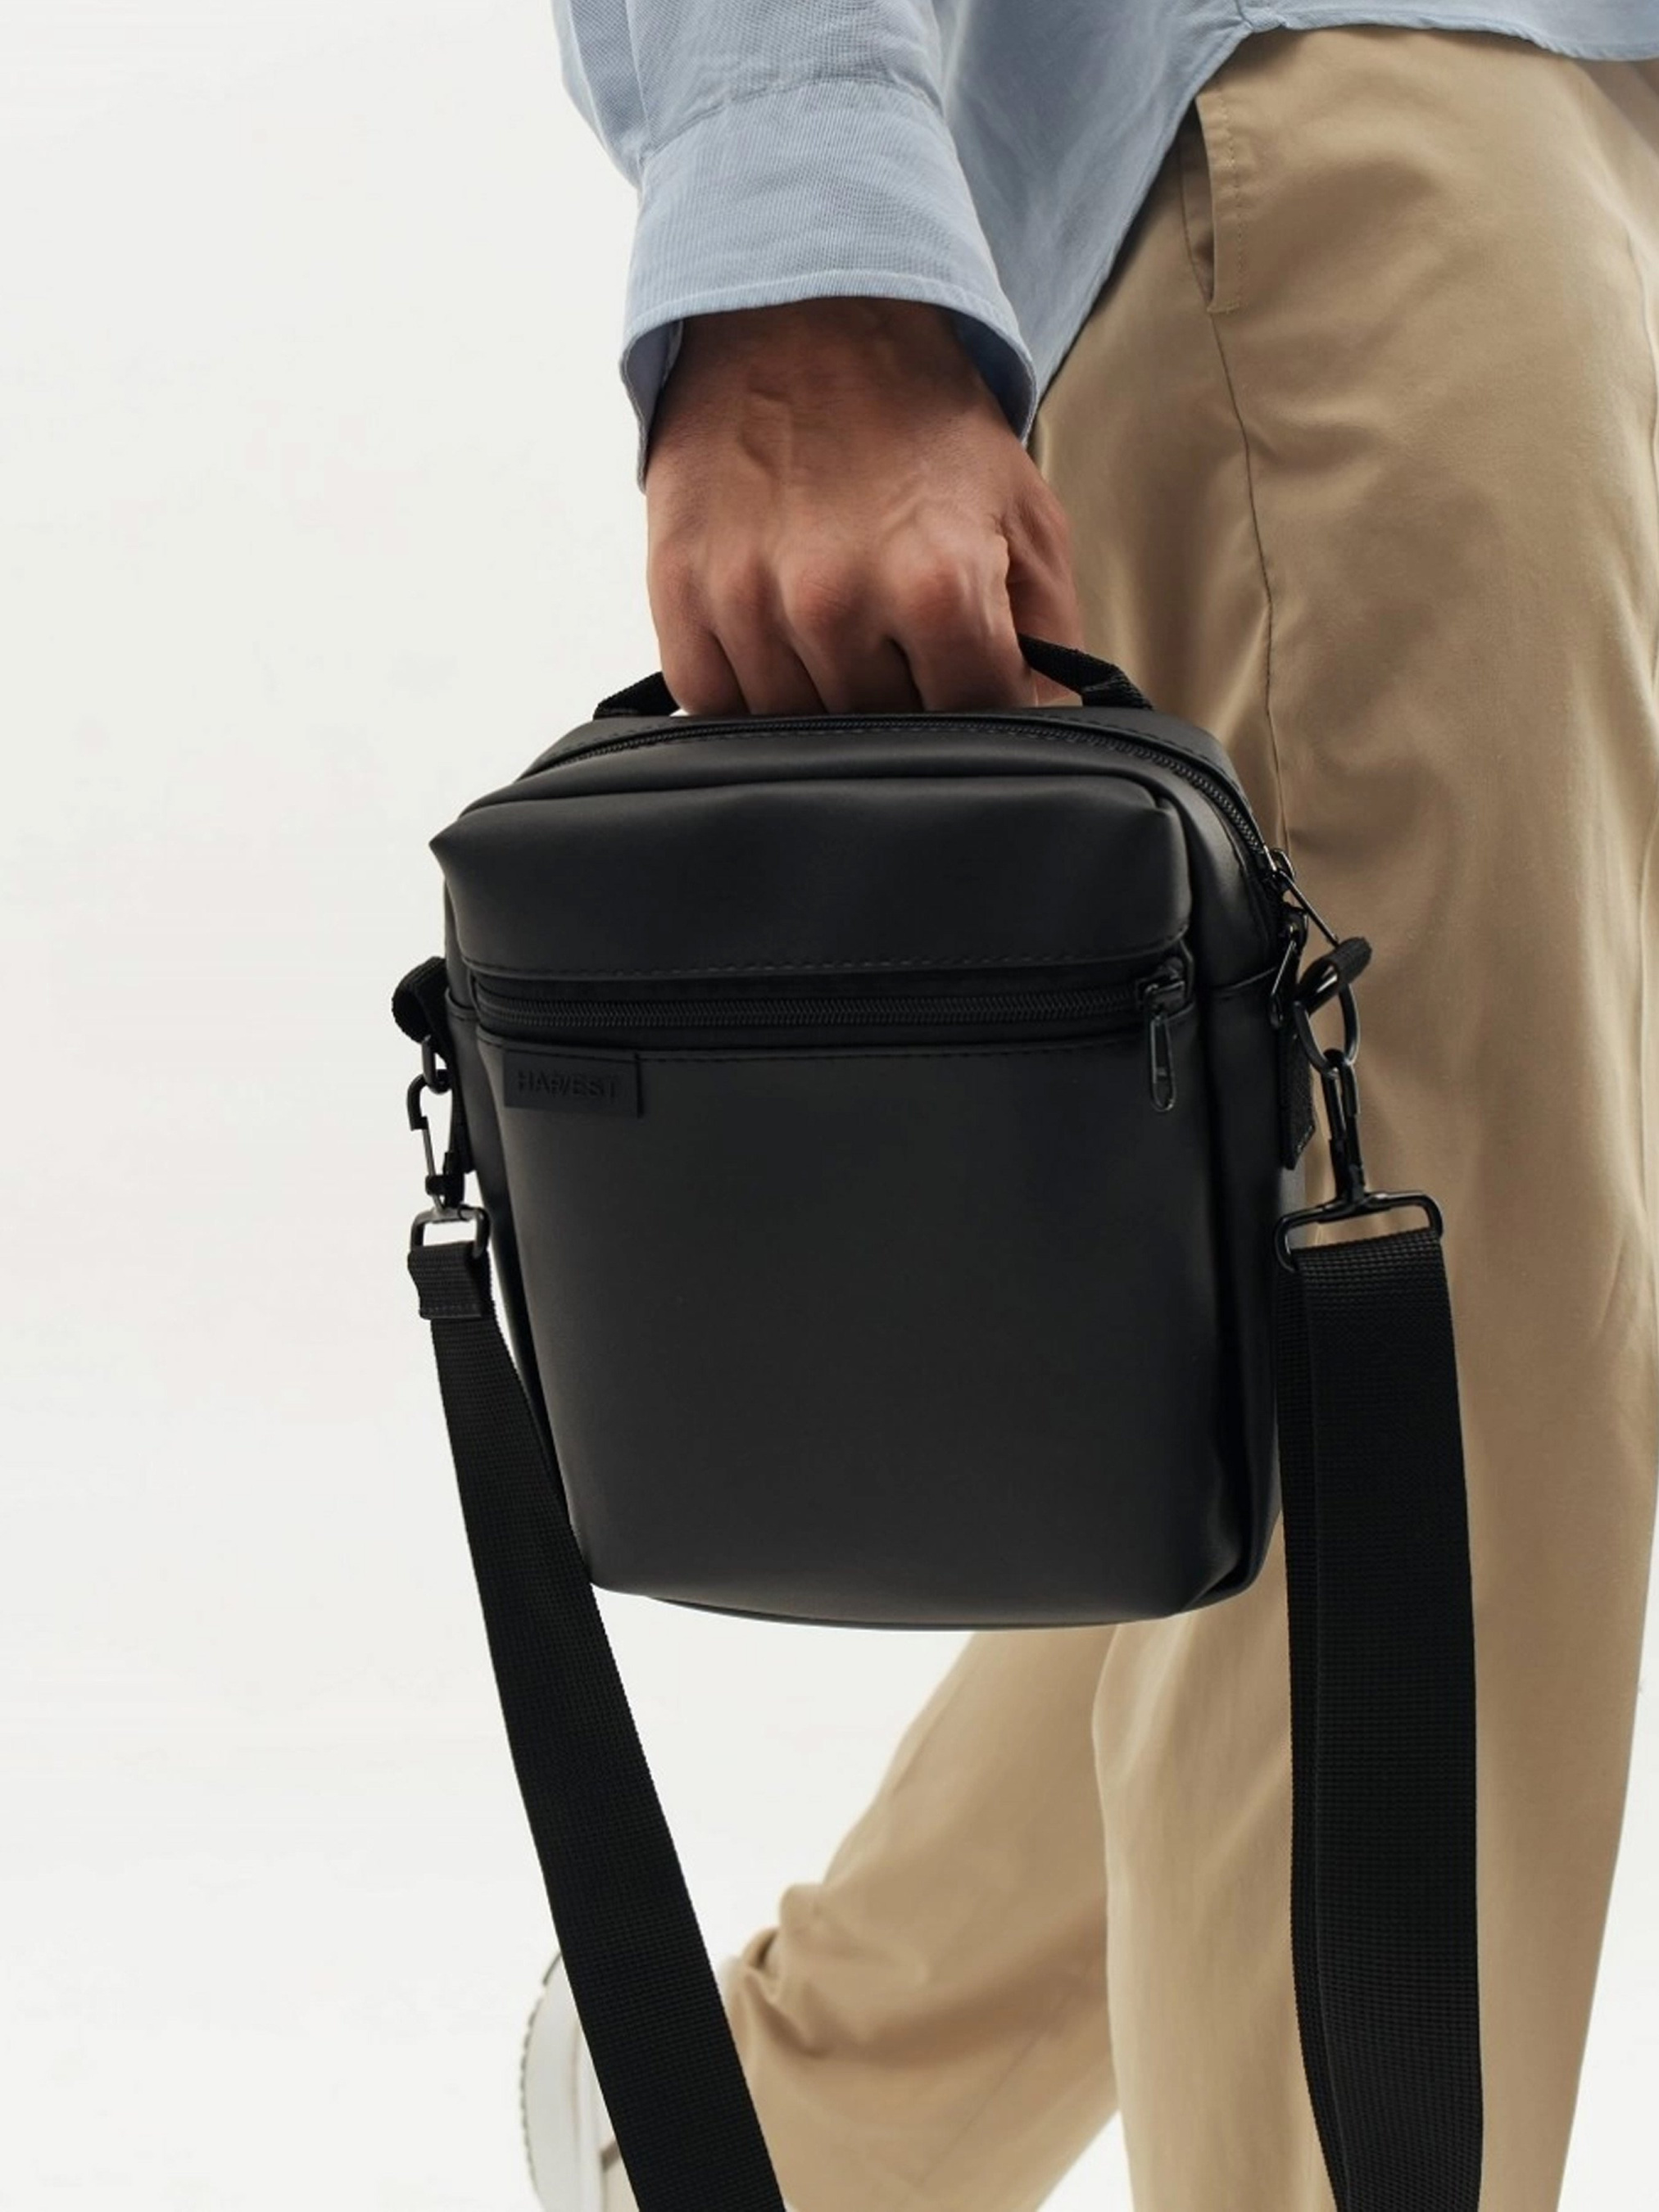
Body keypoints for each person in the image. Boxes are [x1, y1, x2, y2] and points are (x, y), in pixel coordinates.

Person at [519, 7, 1659, 2209]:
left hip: (1599, 118)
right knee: (1421, 1371)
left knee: (1417, 1368)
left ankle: (778, 2134)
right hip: (1351, 85)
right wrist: (796, 238)